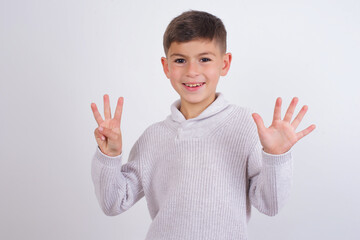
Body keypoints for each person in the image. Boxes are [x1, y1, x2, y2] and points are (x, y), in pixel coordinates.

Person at [90, 10, 316, 240]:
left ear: (224, 63)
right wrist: (109, 156)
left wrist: (276, 156)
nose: (192, 71)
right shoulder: (153, 138)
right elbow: (113, 203)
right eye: (180, 60)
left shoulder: (244, 125)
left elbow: (270, 205)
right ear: (166, 66)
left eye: (204, 59)